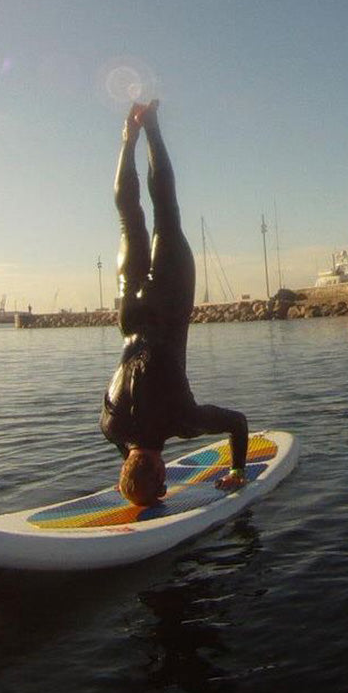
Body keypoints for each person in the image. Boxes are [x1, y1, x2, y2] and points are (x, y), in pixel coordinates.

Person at [100, 101, 248, 506]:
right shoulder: (111, 428)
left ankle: (151, 123)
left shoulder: (181, 419)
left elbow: (238, 423)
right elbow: (129, 448)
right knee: (129, 217)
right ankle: (130, 136)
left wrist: (237, 472)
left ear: (162, 472)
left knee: (167, 213)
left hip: (168, 301)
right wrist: (133, 475)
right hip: (129, 315)